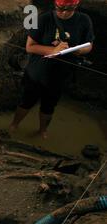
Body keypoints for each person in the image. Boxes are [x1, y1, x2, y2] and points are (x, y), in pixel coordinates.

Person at [9, 0, 94, 139]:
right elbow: (30, 47)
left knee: (49, 105)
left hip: (61, 74)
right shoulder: (44, 19)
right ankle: (14, 124)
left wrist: (78, 50)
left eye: (70, 9)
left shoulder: (84, 20)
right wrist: (53, 49)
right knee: (27, 101)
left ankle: (42, 131)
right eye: (61, 8)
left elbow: (89, 44)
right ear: (55, 5)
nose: (65, 12)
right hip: (38, 71)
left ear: (76, 6)